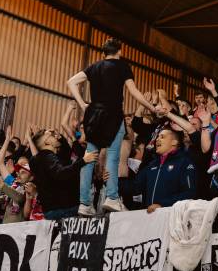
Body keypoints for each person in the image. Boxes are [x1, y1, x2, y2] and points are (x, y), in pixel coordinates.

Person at [67, 38, 157, 216]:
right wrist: (152, 108)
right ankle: (112, 197)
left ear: (103, 53)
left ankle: (84, 203)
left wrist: (83, 104)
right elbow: (133, 91)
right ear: (120, 51)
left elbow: (71, 82)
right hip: (113, 115)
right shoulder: (122, 66)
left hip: (93, 115)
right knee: (113, 156)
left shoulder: (94, 66)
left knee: (89, 157)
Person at [28, 128, 97, 220]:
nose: (55, 136)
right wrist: (83, 161)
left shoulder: (36, 160)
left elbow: (64, 158)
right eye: (51, 136)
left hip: (51, 210)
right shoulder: (48, 157)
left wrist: (61, 139)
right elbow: (61, 173)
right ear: (47, 142)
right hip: (64, 209)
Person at [121, 129, 196, 211]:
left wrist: (163, 204)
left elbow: (189, 193)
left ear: (174, 142)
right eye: (157, 137)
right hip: (152, 216)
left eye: (162, 137)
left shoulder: (184, 162)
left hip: (172, 216)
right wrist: (112, 179)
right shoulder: (152, 165)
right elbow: (135, 187)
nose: (157, 139)